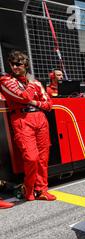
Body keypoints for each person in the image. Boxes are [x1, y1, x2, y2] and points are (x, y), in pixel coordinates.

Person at [0, 50, 57, 201]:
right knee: (31, 158)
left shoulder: (35, 82)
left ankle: (41, 190)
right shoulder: (6, 80)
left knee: (43, 158)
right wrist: (31, 87)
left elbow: (49, 105)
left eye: (18, 64)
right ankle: (29, 188)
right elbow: (23, 97)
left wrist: (34, 102)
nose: (14, 67)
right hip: (21, 120)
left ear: (25, 64)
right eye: (12, 64)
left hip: (40, 118)